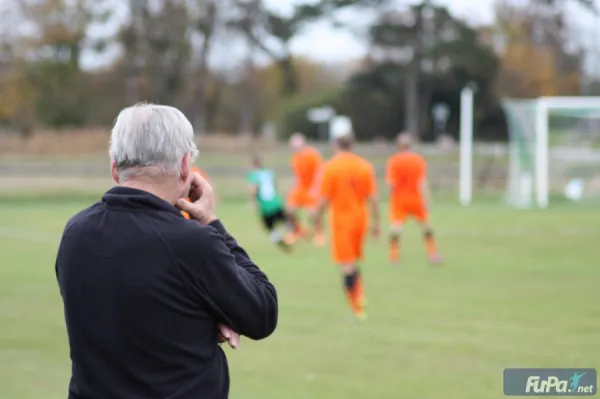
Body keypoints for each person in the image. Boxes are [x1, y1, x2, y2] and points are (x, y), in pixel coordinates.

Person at [55, 103, 278, 399]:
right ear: (186, 166)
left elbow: (136, 310)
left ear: (114, 168)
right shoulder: (191, 241)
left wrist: (198, 319)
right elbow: (261, 312)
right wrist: (211, 222)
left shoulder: (75, 233)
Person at [315, 131, 379, 321]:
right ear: (353, 145)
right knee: (352, 263)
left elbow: (324, 198)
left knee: (346, 266)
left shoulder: (332, 167)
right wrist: (377, 223)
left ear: (336, 145)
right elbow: (373, 198)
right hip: (361, 220)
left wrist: (316, 215)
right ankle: (360, 302)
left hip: (342, 221)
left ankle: (358, 309)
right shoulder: (364, 166)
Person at [385, 133, 442, 265]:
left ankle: (394, 257)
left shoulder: (393, 161)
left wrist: (390, 199)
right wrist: (427, 200)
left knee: (395, 228)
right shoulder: (418, 160)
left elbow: (391, 184)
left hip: (399, 200)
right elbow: (422, 182)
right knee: (426, 227)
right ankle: (432, 254)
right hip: (416, 199)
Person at [246, 155, 294, 253]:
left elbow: (253, 189)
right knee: (285, 221)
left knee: (270, 226)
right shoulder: (269, 173)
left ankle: (280, 240)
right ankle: (291, 234)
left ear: (253, 165)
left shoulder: (253, 175)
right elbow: (275, 186)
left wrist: (253, 201)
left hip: (266, 205)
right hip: (276, 202)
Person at [287, 133, 325, 245]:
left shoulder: (313, 155)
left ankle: (319, 234)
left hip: (313, 187)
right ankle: (297, 231)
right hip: (301, 188)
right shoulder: (295, 158)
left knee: (313, 213)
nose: (296, 149)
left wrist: (316, 188)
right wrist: (293, 189)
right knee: (289, 210)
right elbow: (297, 176)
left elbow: (320, 172)